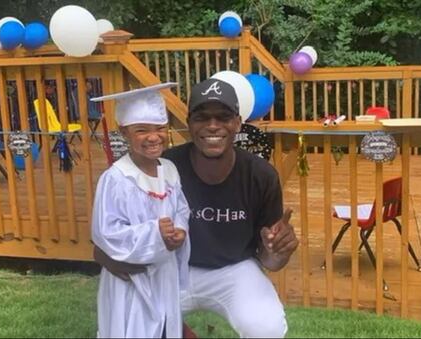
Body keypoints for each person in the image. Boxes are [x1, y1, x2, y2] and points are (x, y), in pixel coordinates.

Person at [94, 77, 299, 338]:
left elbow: (270, 259)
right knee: (134, 324)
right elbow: (107, 233)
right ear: (188, 123)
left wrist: (278, 251)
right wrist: (105, 256)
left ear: (237, 123)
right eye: (202, 117)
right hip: (169, 268)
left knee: (266, 328)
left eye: (223, 117)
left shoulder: (260, 175)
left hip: (233, 270)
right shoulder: (163, 166)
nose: (213, 126)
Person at [90, 82, 191, 338]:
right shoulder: (116, 178)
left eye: (159, 128)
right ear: (124, 132)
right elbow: (106, 232)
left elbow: (181, 209)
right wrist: (154, 233)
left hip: (163, 273)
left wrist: (179, 230)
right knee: (132, 328)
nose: (153, 136)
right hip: (131, 279)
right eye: (141, 130)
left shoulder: (169, 169)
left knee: (166, 326)